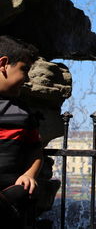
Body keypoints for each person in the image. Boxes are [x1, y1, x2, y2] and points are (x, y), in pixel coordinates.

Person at [0, 35, 41, 228]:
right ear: (4, 64)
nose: (27, 78)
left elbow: (35, 150)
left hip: (9, 195)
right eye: (24, 69)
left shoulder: (23, 113)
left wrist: (29, 175)